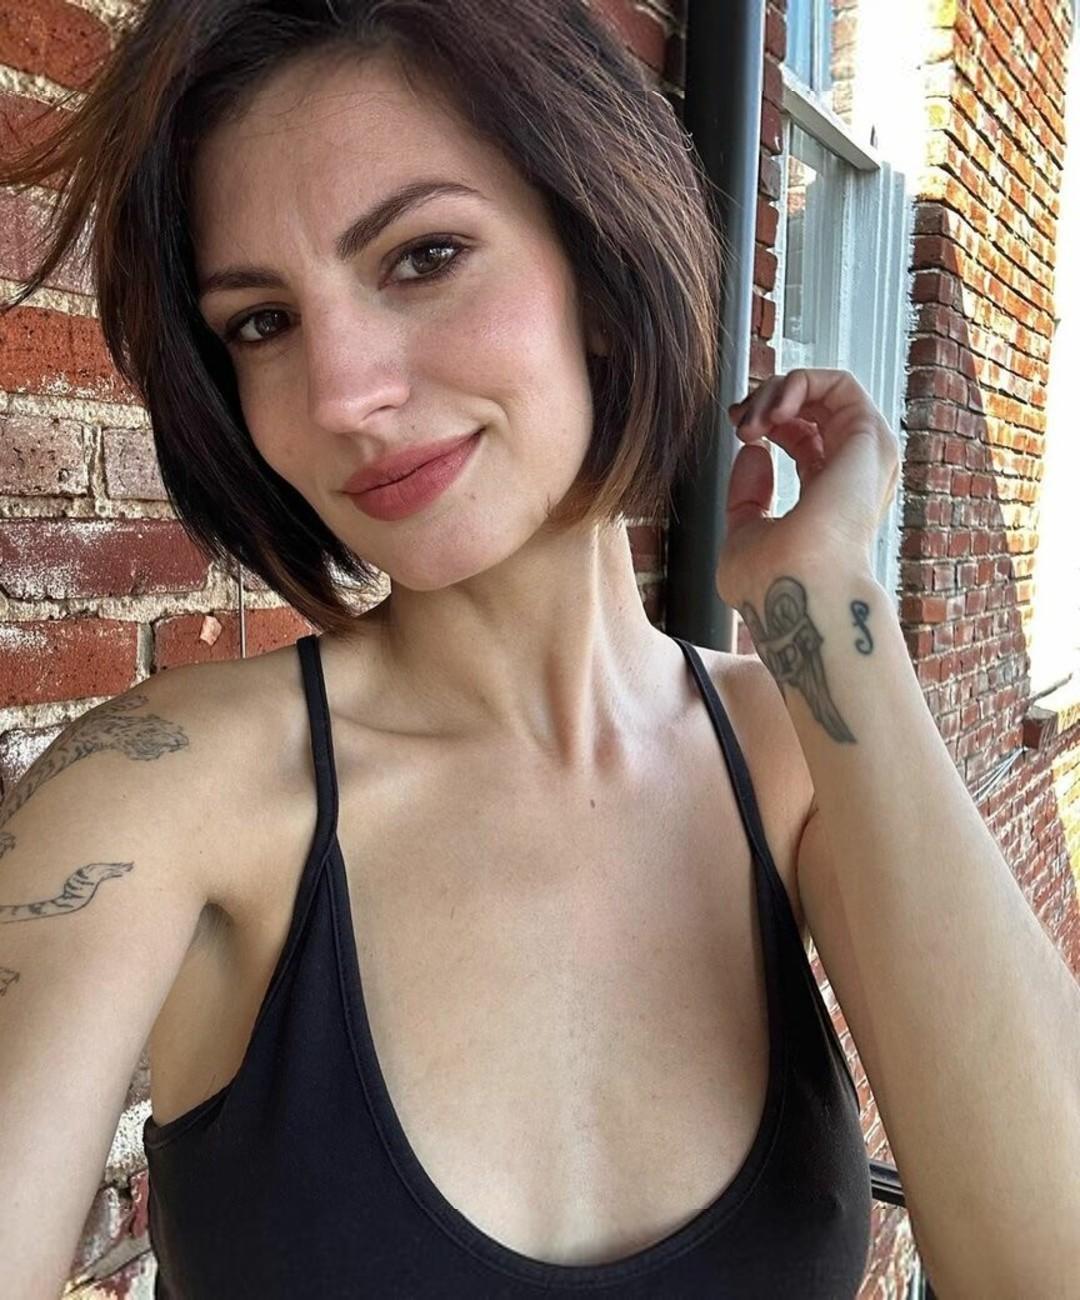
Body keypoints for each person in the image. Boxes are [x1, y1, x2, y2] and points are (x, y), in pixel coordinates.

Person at [0, 3, 876, 1296]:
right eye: (262, 323)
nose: (342, 393)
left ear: (599, 259)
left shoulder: (796, 755)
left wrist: (831, 610)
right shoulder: (162, 793)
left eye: (424, 256)